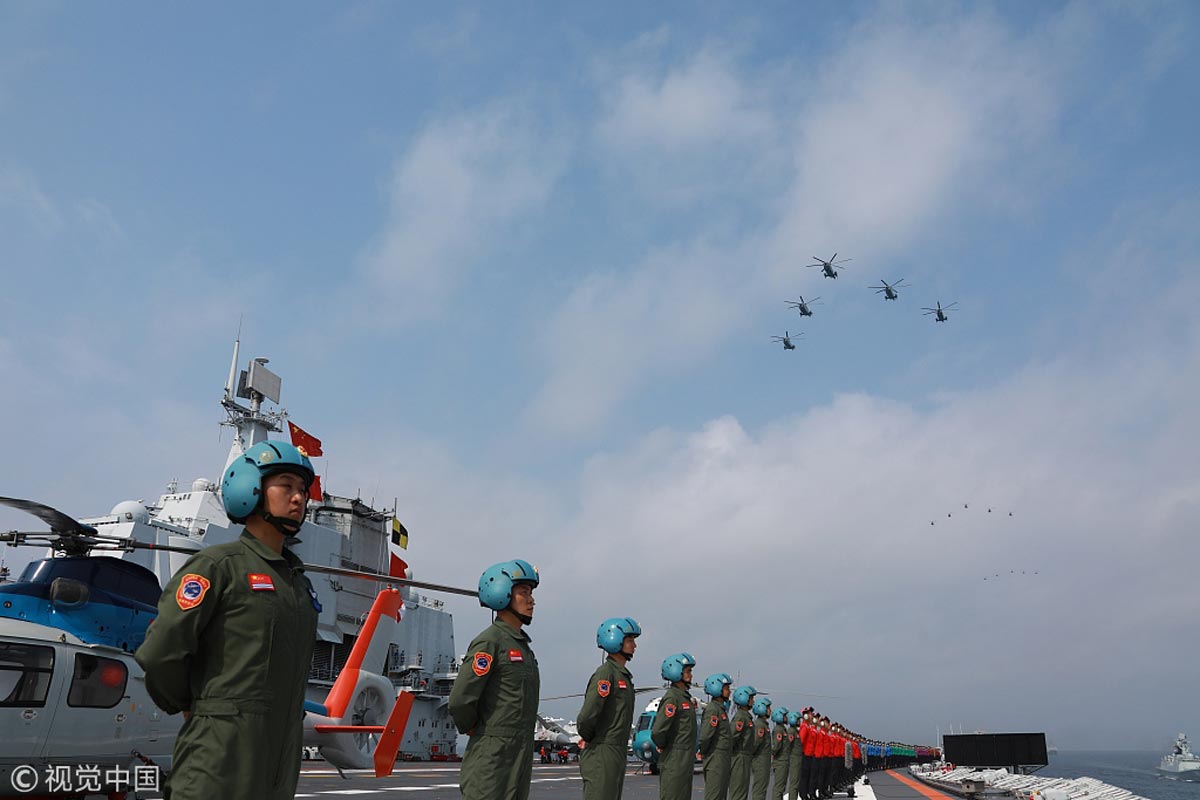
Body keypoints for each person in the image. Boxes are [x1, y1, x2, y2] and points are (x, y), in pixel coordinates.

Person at [135, 440, 321, 800]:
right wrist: (196, 707)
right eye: (286, 485)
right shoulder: (218, 567)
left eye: (303, 489)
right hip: (216, 766)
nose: (299, 498)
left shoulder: (299, 586)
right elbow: (160, 651)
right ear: (250, 489)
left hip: (278, 771)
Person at [448, 559, 541, 800]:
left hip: (519, 756)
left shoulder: (522, 648)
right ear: (502, 593)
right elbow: (460, 700)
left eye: (531, 593)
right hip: (493, 757)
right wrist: (475, 728)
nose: (531, 600)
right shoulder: (490, 642)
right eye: (524, 592)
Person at [577, 617, 641, 799]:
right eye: (630, 640)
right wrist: (593, 739)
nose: (634, 645)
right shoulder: (606, 674)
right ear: (615, 640)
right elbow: (588, 715)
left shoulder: (622, 676)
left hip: (616, 751)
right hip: (603, 751)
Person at [650, 653, 697, 800]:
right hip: (675, 758)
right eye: (688, 671)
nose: (691, 675)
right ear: (676, 671)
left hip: (685, 758)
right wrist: (665, 746)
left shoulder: (684, 698)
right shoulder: (672, 698)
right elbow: (658, 731)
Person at [697, 672, 734, 800]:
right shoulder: (713, 710)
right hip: (715, 759)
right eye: (726, 688)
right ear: (717, 688)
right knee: (714, 794)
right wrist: (703, 751)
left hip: (722, 759)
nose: (729, 691)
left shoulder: (720, 710)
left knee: (721, 794)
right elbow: (706, 735)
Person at [729, 685, 757, 800]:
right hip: (739, 758)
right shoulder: (740, 717)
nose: (753, 701)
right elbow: (731, 737)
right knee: (738, 791)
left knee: (742, 791)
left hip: (744, 757)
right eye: (751, 698)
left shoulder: (746, 717)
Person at [750, 696, 773, 800]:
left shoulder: (764, 724)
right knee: (759, 789)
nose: (770, 710)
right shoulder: (759, 725)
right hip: (760, 761)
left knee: (762, 788)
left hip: (763, 761)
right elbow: (755, 744)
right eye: (768, 708)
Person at [769, 705, 790, 800]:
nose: (786, 718)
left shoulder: (782, 729)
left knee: (781, 787)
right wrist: (773, 755)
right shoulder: (778, 729)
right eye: (784, 716)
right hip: (780, 761)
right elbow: (777, 746)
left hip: (783, 760)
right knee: (779, 787)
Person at [785, 710, 804, 800]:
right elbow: (788, 746)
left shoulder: (795, 732)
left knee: (796, 783)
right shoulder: (791, 732)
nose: (799, 722)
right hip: (794, 759)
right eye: (798, 720)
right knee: (794, 783)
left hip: (797, 759)